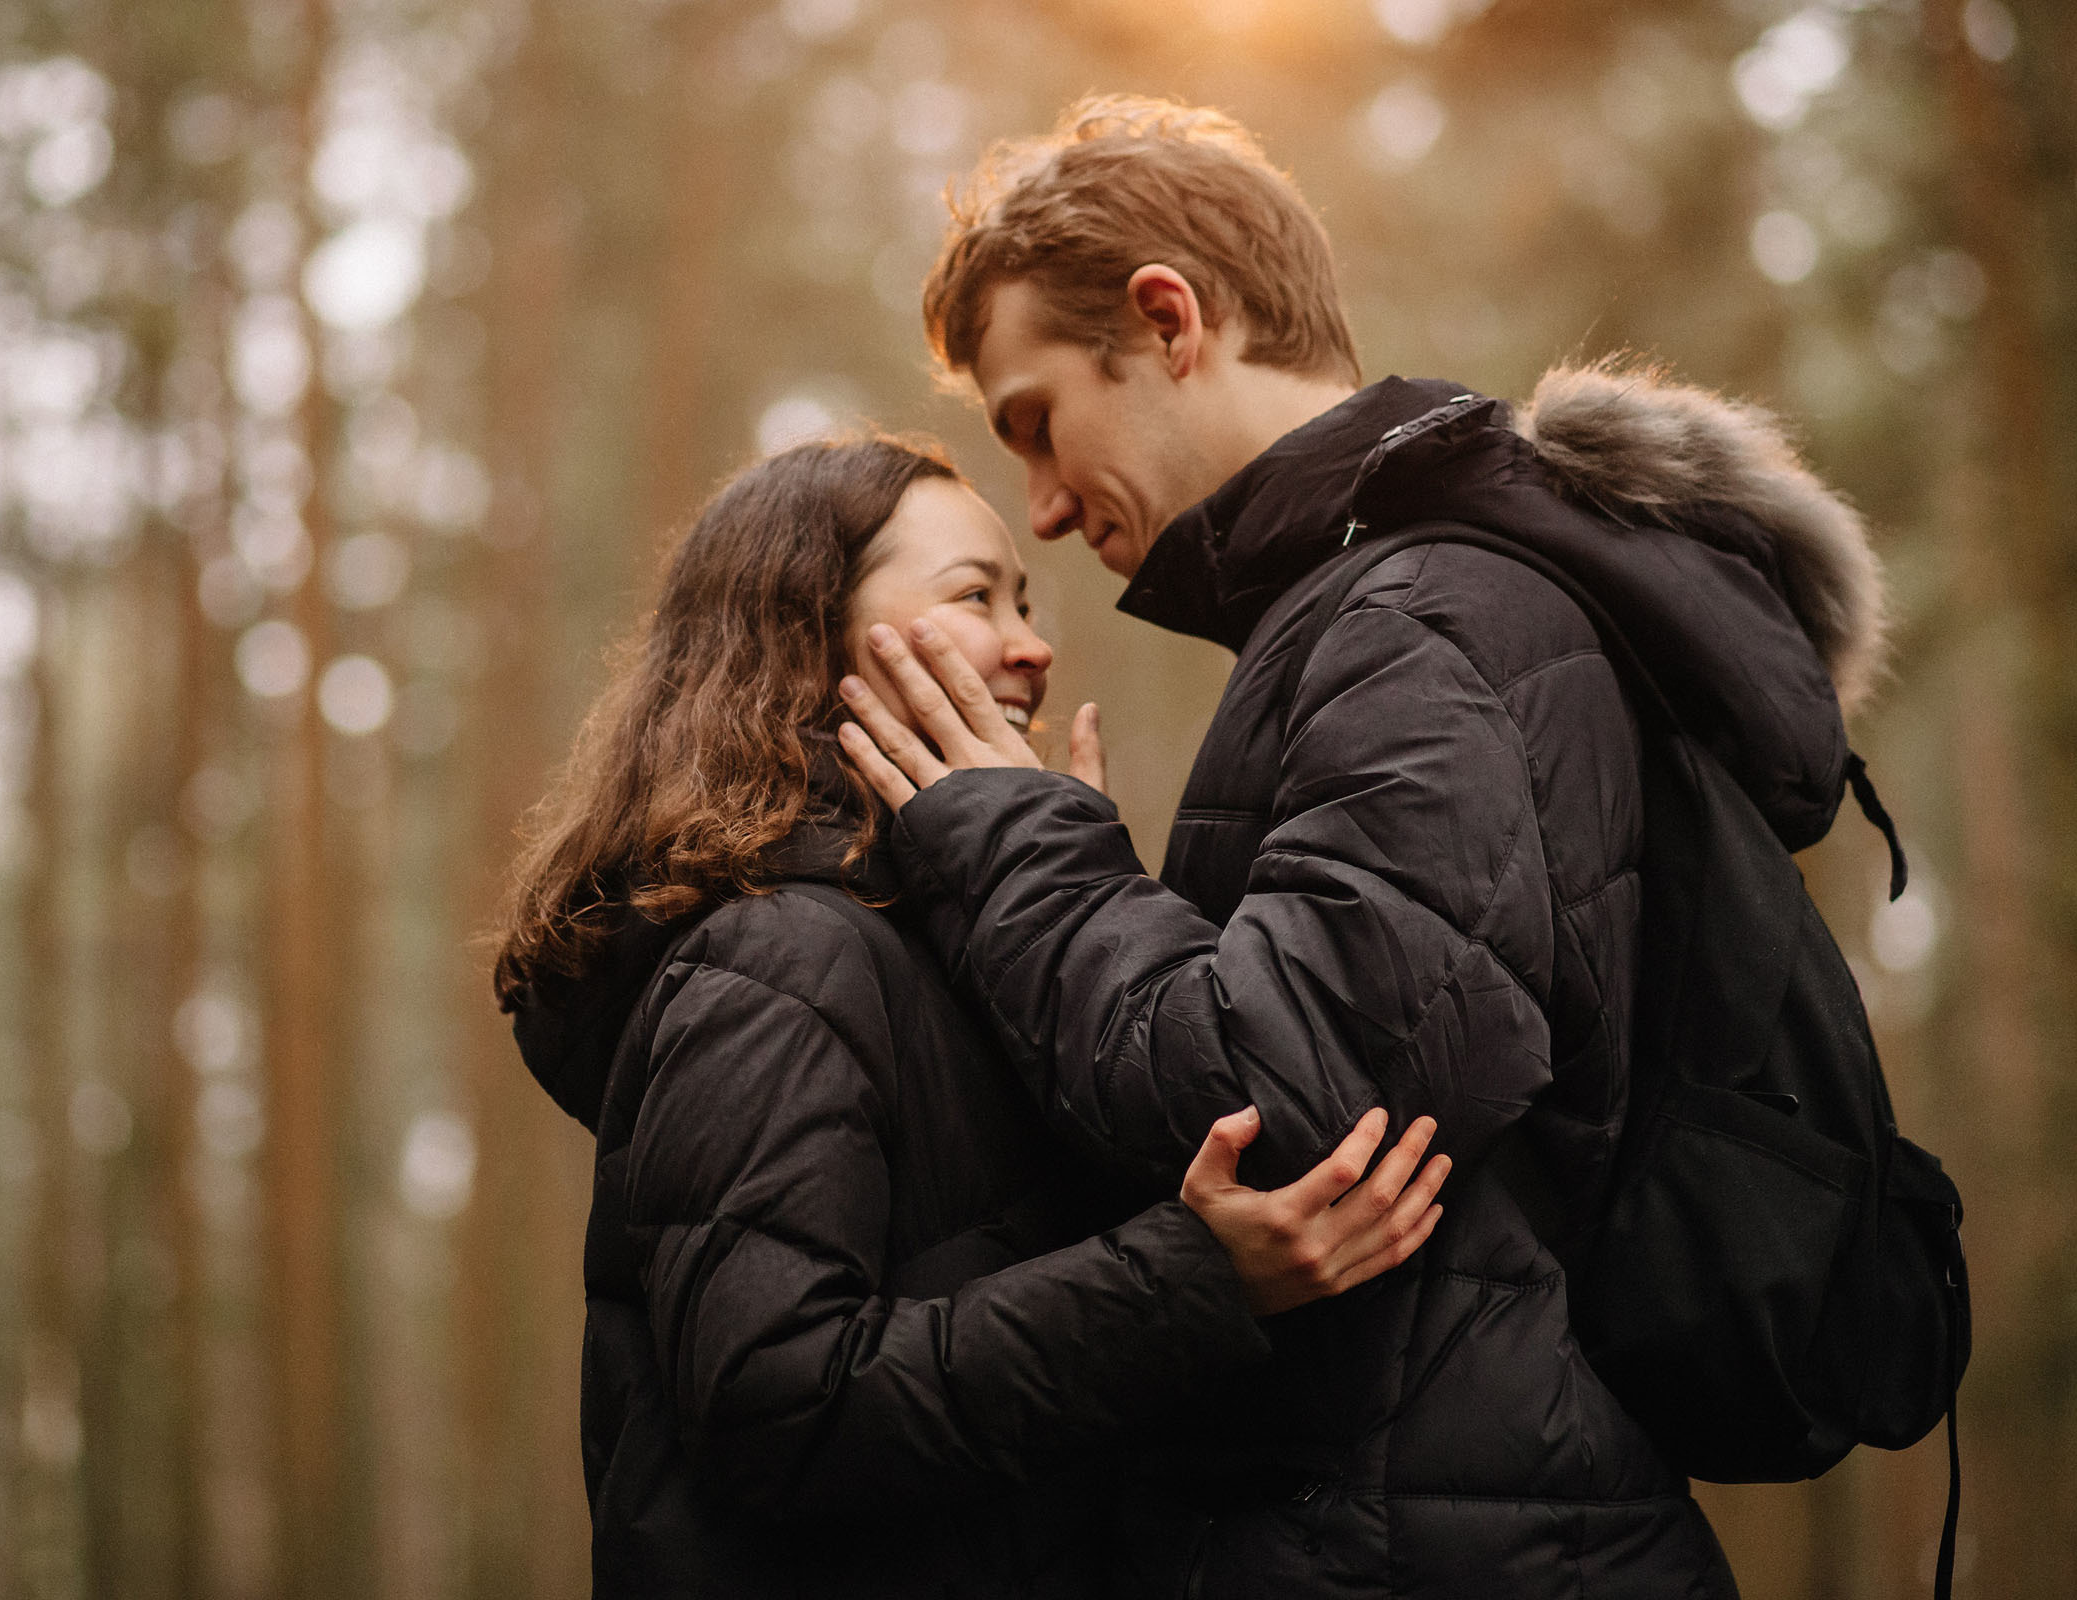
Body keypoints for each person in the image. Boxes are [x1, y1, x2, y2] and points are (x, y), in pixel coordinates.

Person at [840, 97, 1887, 1599]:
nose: (1049, 509)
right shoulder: (1388, 617)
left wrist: (1011, 842)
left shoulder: (1419, 622)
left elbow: (1290, 1104)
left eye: (1038, 423)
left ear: (1166, 317)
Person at [491, 434, 1452, 1596]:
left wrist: (1066, 900)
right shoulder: (774, 960)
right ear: (810, 639)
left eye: (1026, 601)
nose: (1034, 645)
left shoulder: (949, 945)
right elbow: (779, 1403)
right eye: (974, 597)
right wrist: (1192, 1279)